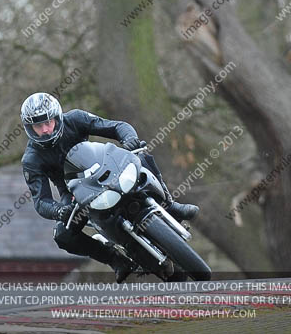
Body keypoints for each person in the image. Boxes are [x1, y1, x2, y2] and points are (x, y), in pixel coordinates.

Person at [20, 92, 198, 282]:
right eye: (39, 125)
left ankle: (169, 205)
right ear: (30, 128)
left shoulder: (76, 119)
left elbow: (118, 126)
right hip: (74, 193)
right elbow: (41, 202)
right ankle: (114, 259)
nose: (46, 129)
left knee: (141, 155)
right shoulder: (31, 160)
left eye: (48, 122)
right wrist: (58, 211)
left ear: (57, 117)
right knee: (62, 235)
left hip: (107, 168)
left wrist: (129, 139)